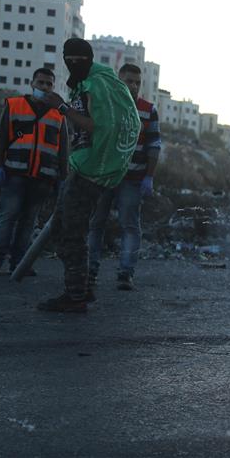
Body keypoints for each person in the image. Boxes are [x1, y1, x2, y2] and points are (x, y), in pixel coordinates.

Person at [35, 38, 141, 313]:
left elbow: (98, 126)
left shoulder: (97, 85)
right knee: (62, 229)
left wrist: (62, 108)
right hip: (88, 166)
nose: (73, 64)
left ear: (87, 60)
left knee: (72, 233)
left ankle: (75, 296)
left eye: (77, 60)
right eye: (69, 60)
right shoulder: (96, 82)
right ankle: (81, 287)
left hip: (91, 170)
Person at [0, 68, 68, 276]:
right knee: (6, 218)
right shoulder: (15, 105)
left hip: (43, 178)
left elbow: (63, 149)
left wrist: (63, 177)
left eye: (49, 84)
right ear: (32, 84)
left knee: (28, 223)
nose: (44, 87)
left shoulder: (59, 113)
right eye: (41, 83)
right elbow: (1, 138)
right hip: (14, 174)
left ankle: (19, 264)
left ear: (53, 87)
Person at [87, 63, 162, 291]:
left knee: (129, 225)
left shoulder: (148, 110)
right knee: (95, 223)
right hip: (104, 176)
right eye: (129, 81)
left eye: (138, 82)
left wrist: (149, 177)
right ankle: (89, 271)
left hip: (132, 179)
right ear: (118, 81)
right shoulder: (106, 104)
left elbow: (154, 145)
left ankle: (126, 273)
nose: (134, 86)